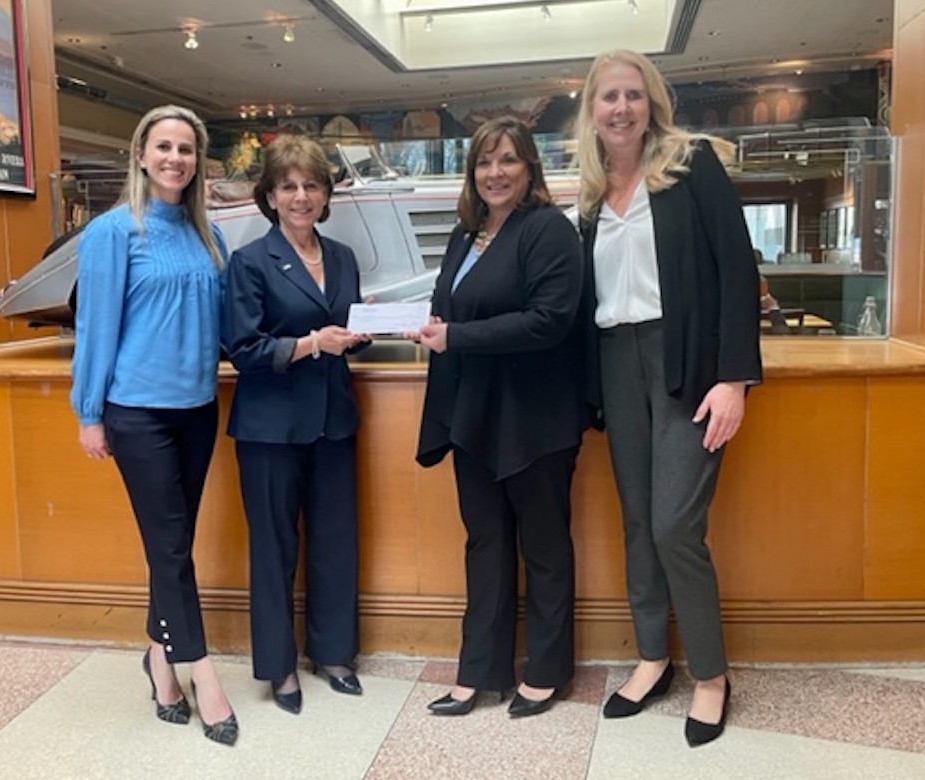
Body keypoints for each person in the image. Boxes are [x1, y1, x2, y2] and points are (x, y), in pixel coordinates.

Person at [575, 49, 762, 748]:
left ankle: (710, 675)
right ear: (591, 110)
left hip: (687, 364)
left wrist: (734, 379)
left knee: (674, 525)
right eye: (608, 97)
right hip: (614, 362)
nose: (621, 108)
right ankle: (653, 656)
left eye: (633, 94)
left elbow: (737, 271)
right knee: (636, 522)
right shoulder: (590, 196)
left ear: (651, 102)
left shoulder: (692, 166)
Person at [69, 105, 237, 746]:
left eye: (186, 149)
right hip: (137, 412)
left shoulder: (208, 235)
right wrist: (89, 412)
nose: (175, 159)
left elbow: (228, 325)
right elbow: (95, 328)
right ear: (140, 155)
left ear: (198, 161)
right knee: (169, 548)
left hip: (197, 409)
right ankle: (202, 673)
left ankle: (159, 659)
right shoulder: (112, 233)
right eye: (163, 147)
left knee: (172, 544)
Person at [412, 116, 588, 719]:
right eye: (484, 162)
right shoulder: (466, 235)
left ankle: (545, 671)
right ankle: (478, 672)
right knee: (484, 542)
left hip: (535, 416)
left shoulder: (548, 230)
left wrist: (456, 336)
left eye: (508, 159)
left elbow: (549, 320)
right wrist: (430, 326)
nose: (495, 173)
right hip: (475, 414)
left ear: (529, 167)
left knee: (543, 545)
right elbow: (451, 307)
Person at [223, 134, 369, 715]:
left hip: (334, 420)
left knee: (335, 541)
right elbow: (243, 349)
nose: (301, 196)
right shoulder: (249, 262)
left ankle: (333, 654)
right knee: (274, 548)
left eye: (311, 185)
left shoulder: (343, 257)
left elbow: (347, 328)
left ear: (326, 194)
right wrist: (312, 343)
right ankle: (280, 666)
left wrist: (363, 333)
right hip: (270, 429)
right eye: (288, 186)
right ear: (270, 196)